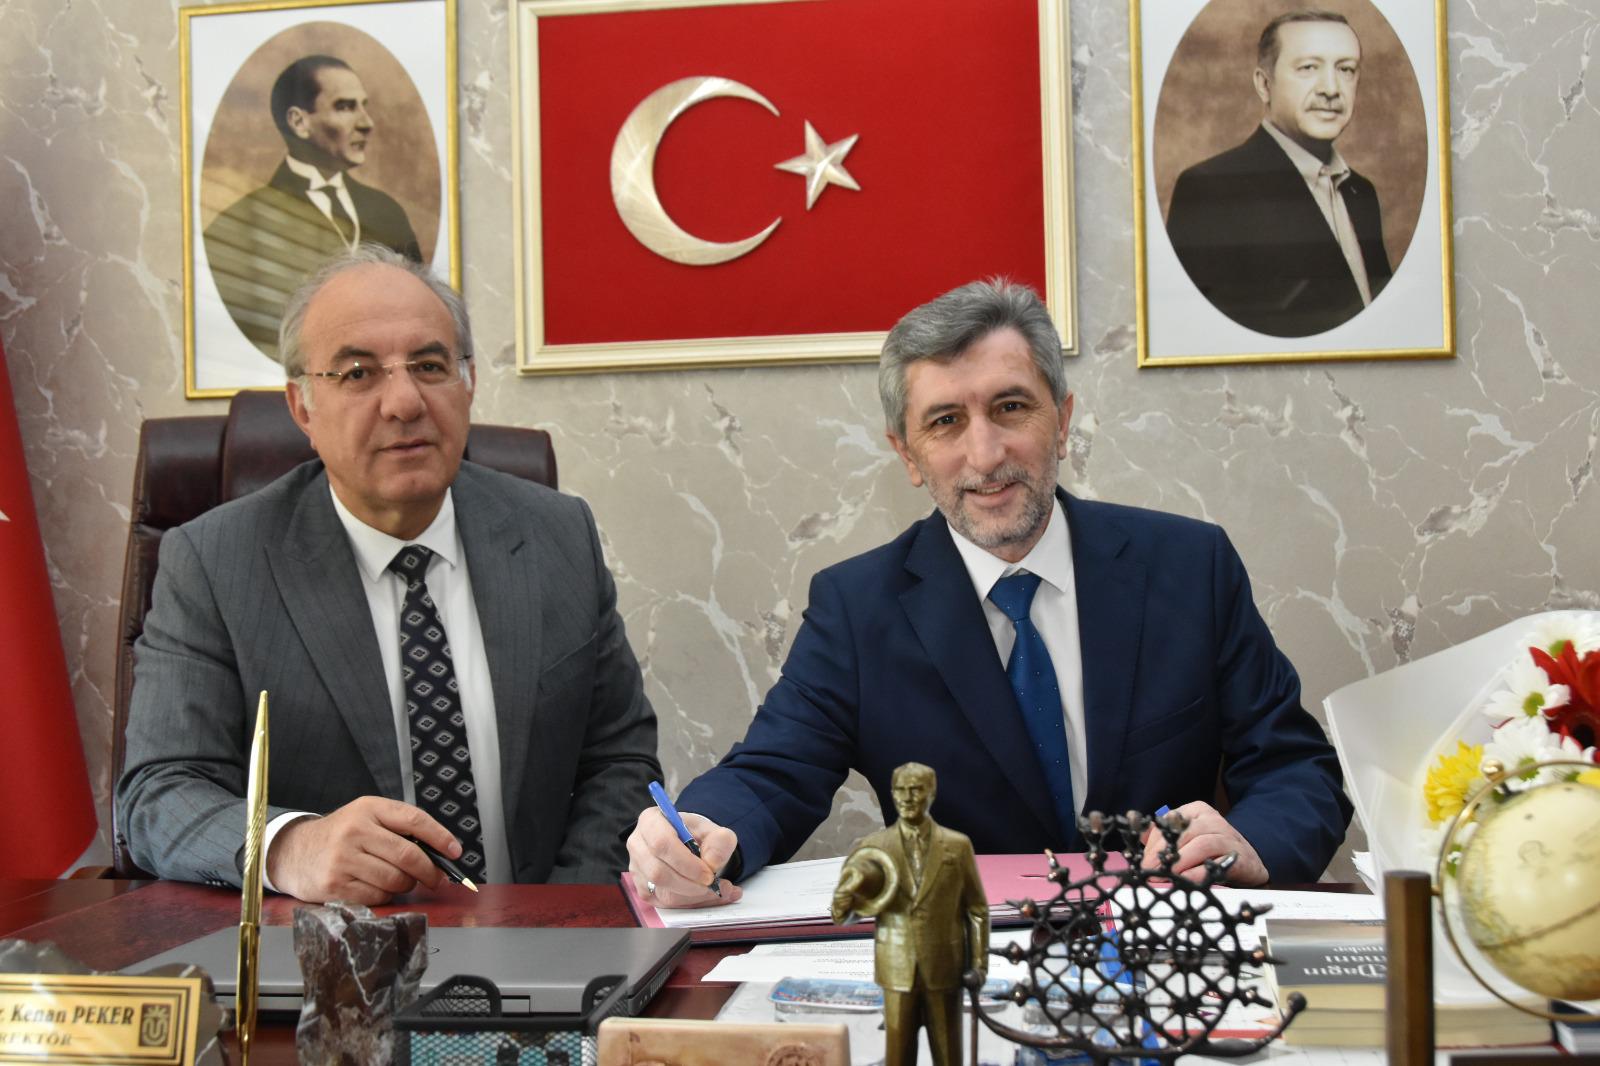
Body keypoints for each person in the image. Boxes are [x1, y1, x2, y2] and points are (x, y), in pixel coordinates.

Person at [627, 279, 1350, 907]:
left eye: (1010, 407)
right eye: (945, 422)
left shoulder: (1190, 568)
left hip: (1161, 950)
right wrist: (704, 832)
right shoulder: (858, 607)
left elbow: (1295, 767)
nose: (985, 453)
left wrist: (1251, 841)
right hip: (966, 961)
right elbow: (772, 773)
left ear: (1062, 421)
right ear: (908, 455)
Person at [118, 244, 660, 903]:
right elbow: (158, 795)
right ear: (302, 407)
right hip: (331, 951)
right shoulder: (213, 563)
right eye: (357, 374)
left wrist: (556, 918)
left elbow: (619, 760)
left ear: (468, 384)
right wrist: (290, 846)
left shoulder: (557, 535)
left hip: (540, 940)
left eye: (430, 366)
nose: (404, 402)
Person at [1164, 11, 1392, 338]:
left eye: (1346, 69)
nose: (1331, 89)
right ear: (1264, 84)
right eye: (1308, 68)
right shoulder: (1211, 190)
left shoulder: (1361, 193)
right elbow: (1195, 335)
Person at [203, 55, 423, 361]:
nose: (366, 123)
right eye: (345, 107)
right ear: (299, 122)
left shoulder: (387, 212)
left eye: (364, 106)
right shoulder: (236, 226)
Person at [831, 763, 987, 1066]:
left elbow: (977, 909)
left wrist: (979, 965)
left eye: (915, 789)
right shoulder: (873, 847)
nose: (907, 798)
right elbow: (846, 916)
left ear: (932, 792)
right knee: (898, 1056)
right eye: (900, 790)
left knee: (949, 1054)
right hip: (895, 968)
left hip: (945, 968)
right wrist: (843, 899)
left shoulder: (957, 846)